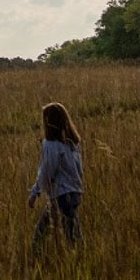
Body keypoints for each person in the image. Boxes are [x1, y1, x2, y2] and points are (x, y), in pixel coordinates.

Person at [28, 102, 83, 252]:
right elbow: (79, 170)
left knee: (43, 235)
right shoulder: (73, 143)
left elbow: (46, 172)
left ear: (49, 123)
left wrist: (35, 193)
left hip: (61, 196)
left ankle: (36, 260)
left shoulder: (51, 145)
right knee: (72, 235)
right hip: (75, 193)